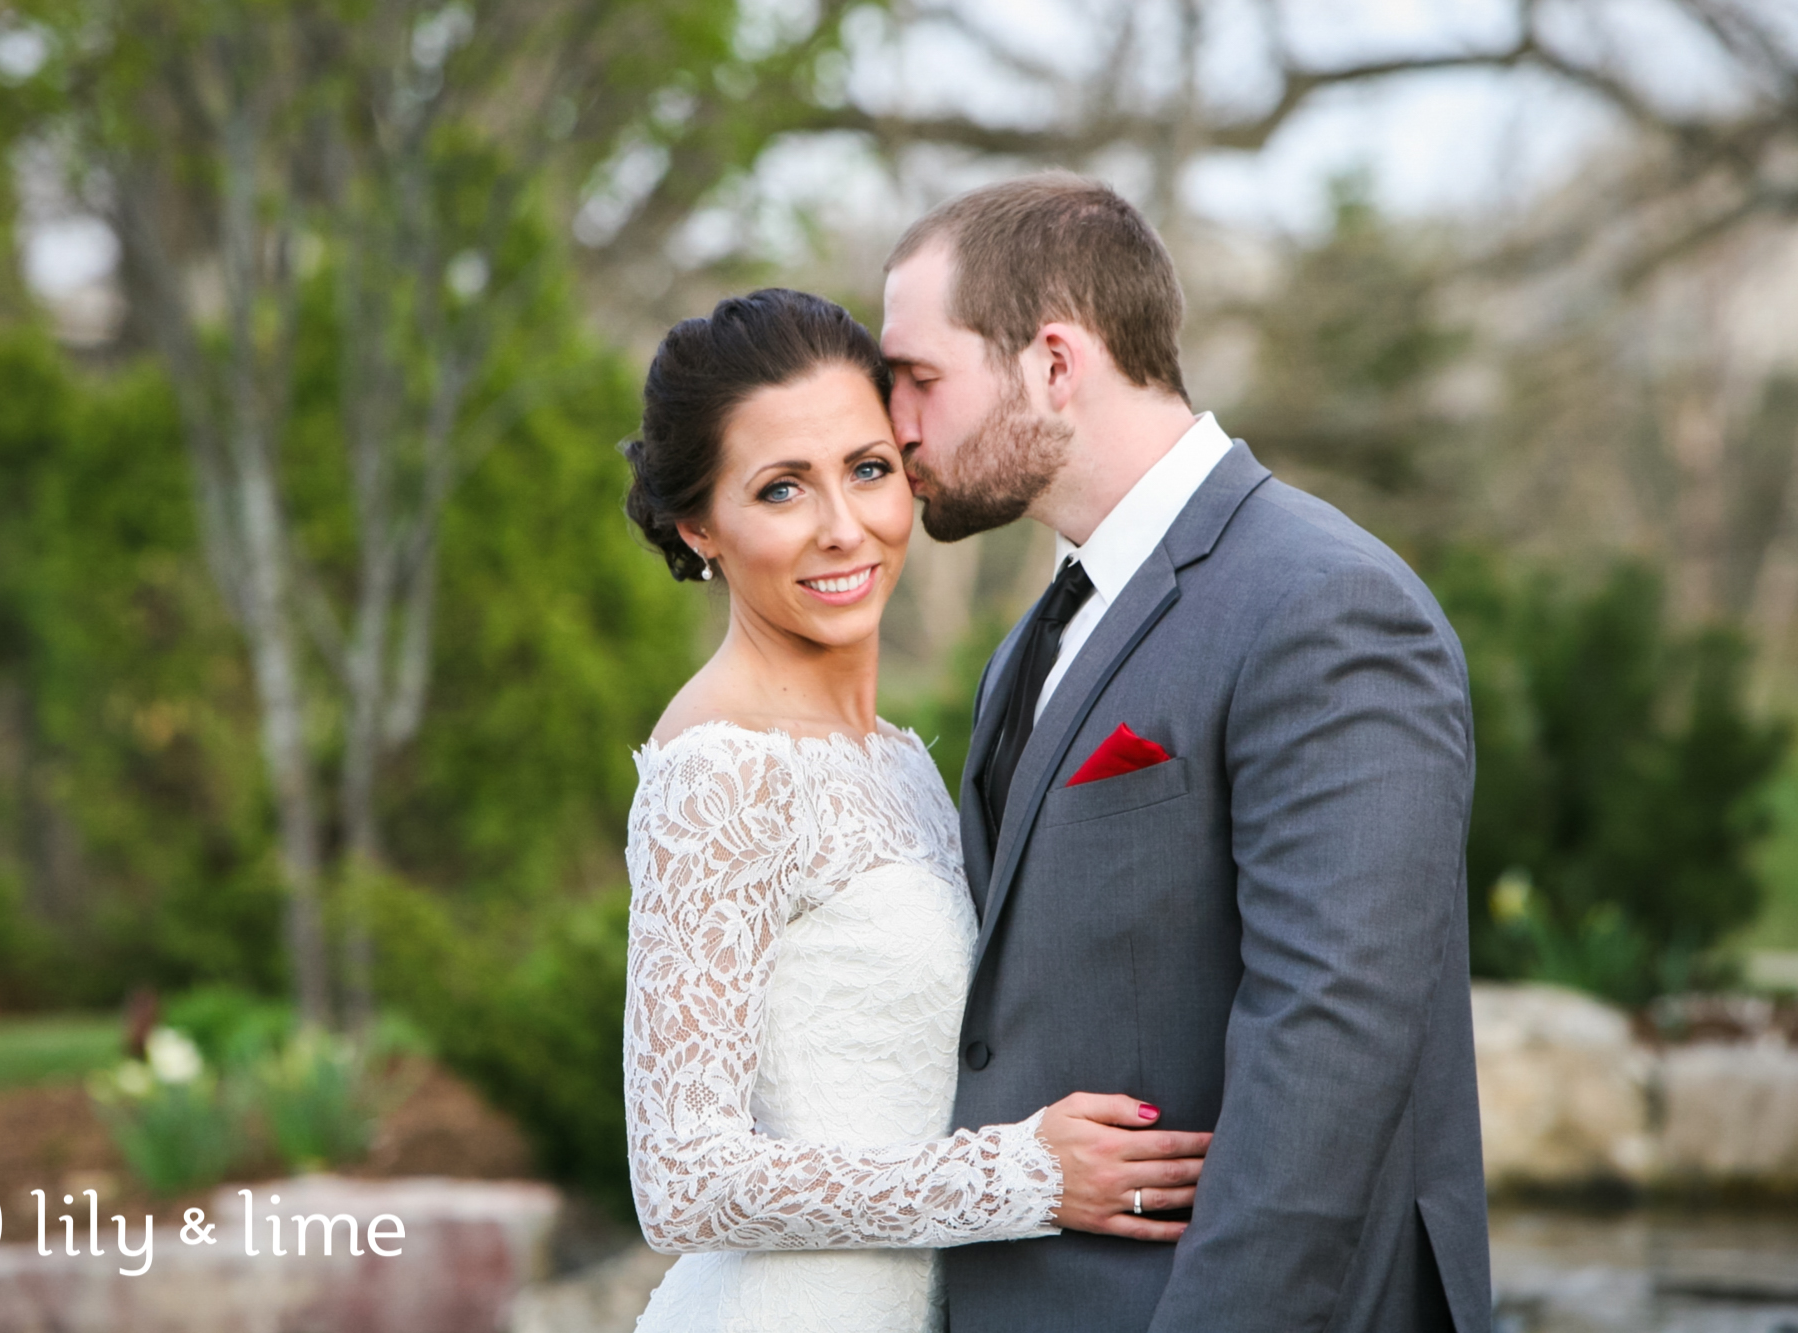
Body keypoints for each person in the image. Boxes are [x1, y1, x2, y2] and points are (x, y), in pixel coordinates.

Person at [879, 172, 1491, 1332]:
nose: (896, 421)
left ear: (1053, 363)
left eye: (918, 377)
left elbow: (1331, 1041)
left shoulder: (1325, 603)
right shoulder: (1038, 635)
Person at [618, 287, 1210, 1333]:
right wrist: (1022, 1176)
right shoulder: (717, 771)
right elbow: (681, 1179)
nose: (843, 528)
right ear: (698, 525)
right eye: (781, 489)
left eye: (867, 469)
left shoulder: (897, 761)